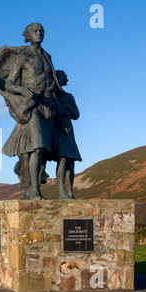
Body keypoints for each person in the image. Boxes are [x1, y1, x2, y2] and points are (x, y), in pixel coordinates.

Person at [0, 23, 60, 199]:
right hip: (31, 106)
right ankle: (34, 190)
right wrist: (22, 90)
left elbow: (51, 80)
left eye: (42, 31)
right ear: (27, 36)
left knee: (45, 150)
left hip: (48, 105)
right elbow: (9, 84)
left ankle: (30, 186)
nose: (39, 33)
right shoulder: (23, 57)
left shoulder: (47, 57)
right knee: (36, 148)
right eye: (35, 31)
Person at [54, 70, 82, 199]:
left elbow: (76, 115)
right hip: (57, 128)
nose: (66, 78)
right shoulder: (53, 95)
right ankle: (61, 192)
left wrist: (68, 108)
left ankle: (70, 191)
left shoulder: (69, 96)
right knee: (62, 159)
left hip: (69, 128)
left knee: (71, 161)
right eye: (63, 76)